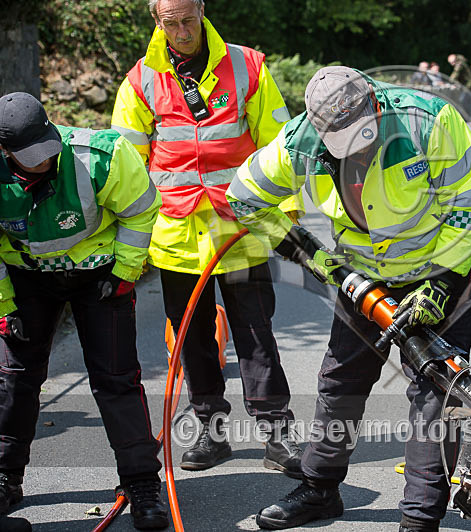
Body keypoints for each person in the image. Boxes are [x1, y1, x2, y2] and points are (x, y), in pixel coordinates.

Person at [227, 66, 471, 531]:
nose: (359, 148)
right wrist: (310, 255)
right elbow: (244, 198)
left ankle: (419, 518)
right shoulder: (299, 144)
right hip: (365, 276)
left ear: (373, 99)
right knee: (340, 382)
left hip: (444, 266)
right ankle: (319, 489)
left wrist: (441, 285)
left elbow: (470, 209)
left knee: (435, 394)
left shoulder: (428, 122)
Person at [111, 0, 303, 476]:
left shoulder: (247, 65)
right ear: (157, 21)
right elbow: (126, 166)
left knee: (256, 334)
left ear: (202, 10)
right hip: (176, 233)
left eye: (188, 19)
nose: (181, 32)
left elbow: (279, 145)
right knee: (191, 340)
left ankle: (277, 433)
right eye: (170, 23)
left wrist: (288, 218)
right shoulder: (141, 81)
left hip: (240, 228)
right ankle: (211, 429)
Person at [0, 92, 167, 529]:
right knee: (15, 379)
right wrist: (3, 304)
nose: (44, 162)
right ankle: (4, 476)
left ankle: (142, 483)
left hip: (100, 274)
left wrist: (127, 270)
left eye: (47, 149)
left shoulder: (101, 157)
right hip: (27, 278)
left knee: (117, 380)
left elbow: (142, 209)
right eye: (30, 158)